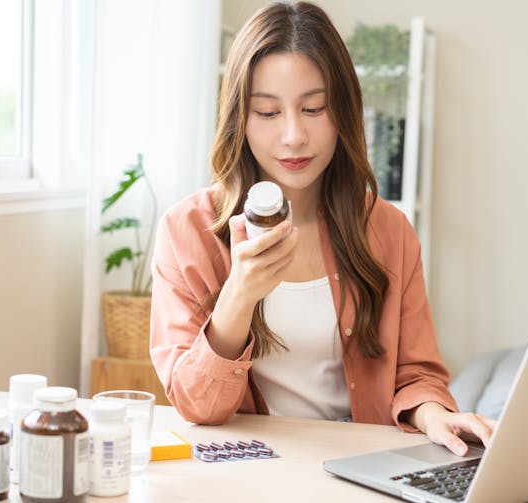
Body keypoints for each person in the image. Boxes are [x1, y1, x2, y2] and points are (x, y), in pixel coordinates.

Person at [149, 1, 494, 457]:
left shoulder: (389, 232)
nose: (294, 135)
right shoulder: (187, 231)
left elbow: (417, 374)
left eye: (314, 108)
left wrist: (434, 413)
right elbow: (197, 405)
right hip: (246, 475)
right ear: (239, 119)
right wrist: (239, 295)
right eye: (268, 113)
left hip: (358, 471)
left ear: (343, 112)